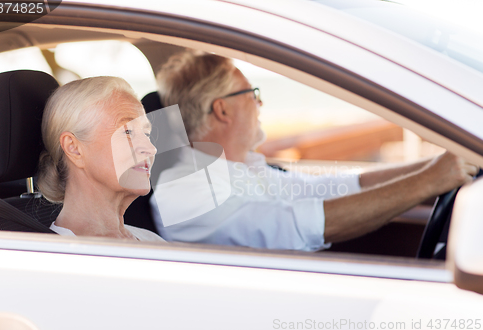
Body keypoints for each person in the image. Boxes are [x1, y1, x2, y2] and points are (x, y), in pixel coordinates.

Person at [150, 51, 478, 251]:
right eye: (252, 93)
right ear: (222, 110)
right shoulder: (186, 192)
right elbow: (303, 223)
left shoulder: (242, 168)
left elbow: (334, 188)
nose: (260, 103)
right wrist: (429, 181)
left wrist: (434, 167)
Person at [37, 76, 164, 242]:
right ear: (74, 148)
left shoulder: (152, 240)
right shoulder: (55, 259)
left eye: (146, 134)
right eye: (127, 132)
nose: (150, 148)